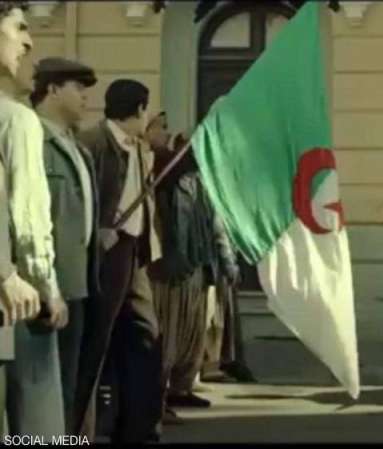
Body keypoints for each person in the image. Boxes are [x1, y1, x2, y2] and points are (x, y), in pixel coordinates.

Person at [73, 79, 163, 443]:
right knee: (96, 343)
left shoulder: (140, 148)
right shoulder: (92, 143)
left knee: (146, 336)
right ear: (140, 109)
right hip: (105, 255)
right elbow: (77, 199)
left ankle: (138, 429)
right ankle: (77, 431)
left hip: (135, 253)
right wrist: (97, 232)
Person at [0, 2, 71, 438]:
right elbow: (28, 220)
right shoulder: (17, 120)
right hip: (19, 300)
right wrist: (48, 289)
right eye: (19, 28)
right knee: (37, 428)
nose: (29, 42)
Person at [31, 57, 100, 434]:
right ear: (53, 89)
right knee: (41, 396)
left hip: (78, 285)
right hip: (46, 287)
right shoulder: (31, 139)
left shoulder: (76, 146)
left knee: (68, 388)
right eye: (78, 88)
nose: (86, 97)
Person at [146, 112, 215, 424]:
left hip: (193, 263)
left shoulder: (192, 177)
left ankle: (179, 389)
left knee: (190, 334)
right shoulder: (159, 166)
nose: (165, 132)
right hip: (168, 268)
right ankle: (155, 401)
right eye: (161, 127)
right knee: (167, 337)